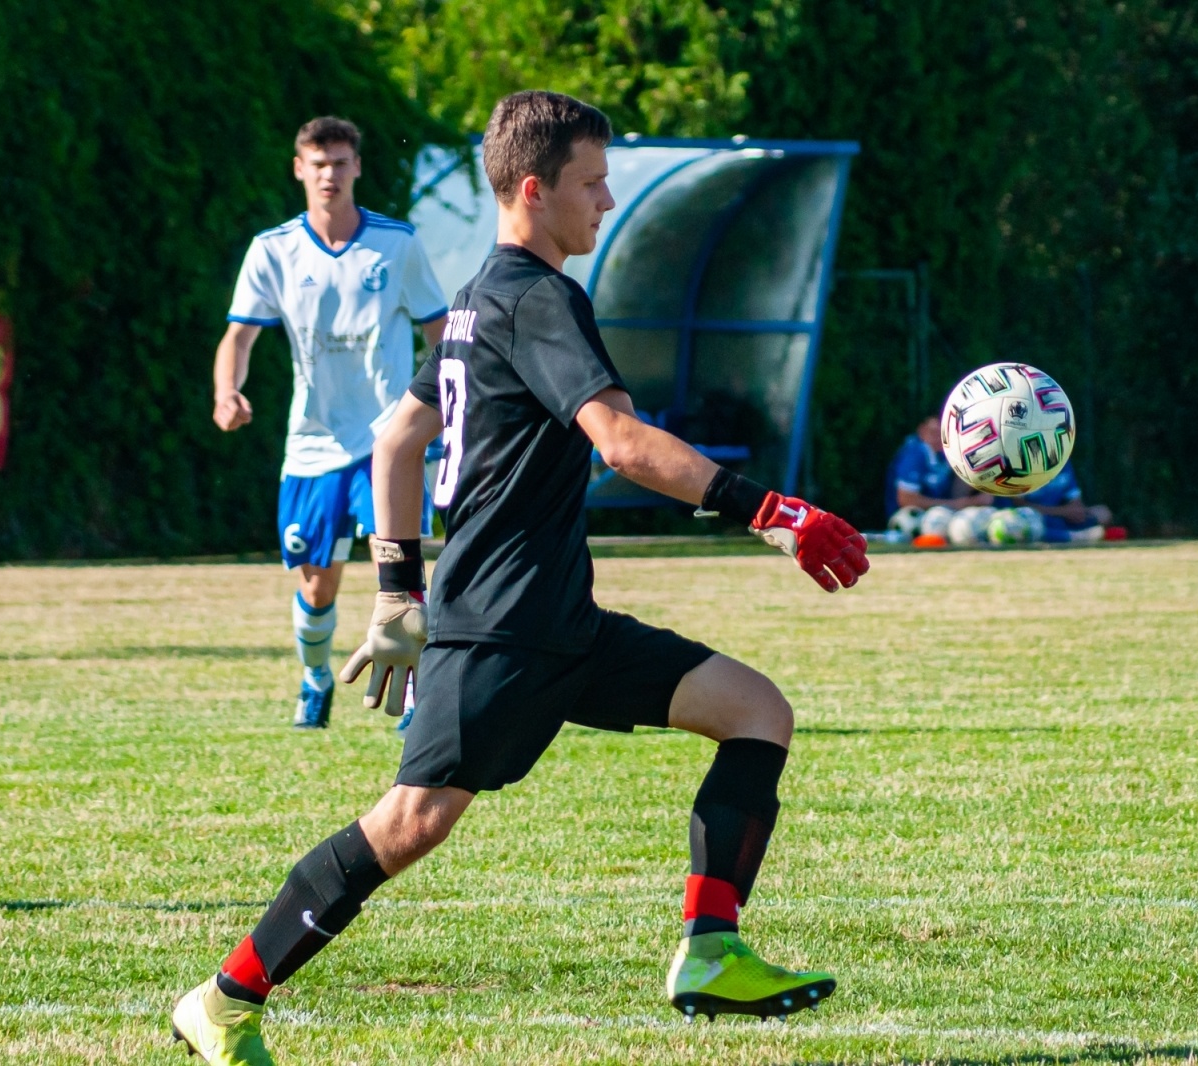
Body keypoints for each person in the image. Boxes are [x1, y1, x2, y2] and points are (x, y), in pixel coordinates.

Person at [172, 90, 871, 1066]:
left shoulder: (473, 301)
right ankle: (224, 995)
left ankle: (710, 949)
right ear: (535, 191)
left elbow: (395, 438)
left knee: (755, 709)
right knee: (409, 823)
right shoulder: (538, 297)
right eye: (592, 183)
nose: (610, 199)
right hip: (501, 629)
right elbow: (620, 444)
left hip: (559, 624)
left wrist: (400, 590)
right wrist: (772, 510)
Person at [213, 116, 450, 728]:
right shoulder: (274, 249)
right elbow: (238, 336)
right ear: (299, 169)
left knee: (397, 575)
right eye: (318, 164)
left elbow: (439, 331)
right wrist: (226, 392)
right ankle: (316, 677)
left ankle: (416, 698)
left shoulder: (396, 244)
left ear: (358, 168)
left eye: (341, 162)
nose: (330, 175)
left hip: (388, 441)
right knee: (317, 587)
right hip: (313, 443)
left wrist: (453, 403)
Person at [885, 413, 990, 516]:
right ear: (922, 430)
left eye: (943, 434)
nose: (938, 439)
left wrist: (980, 483)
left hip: (939, 512)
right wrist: (959, 504)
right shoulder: (914, 455)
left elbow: (957, 492)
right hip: (910, 516)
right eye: (933, 433)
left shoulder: (944, 453)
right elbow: (907, 500)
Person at [993, 459, 1112, 541]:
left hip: (1058, 518)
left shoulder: (1063, 463)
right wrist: (1062, 512)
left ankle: (1074, 533)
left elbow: (1075, 500)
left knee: (1102, 512)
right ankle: (1072, 536)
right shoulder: (1017, 464)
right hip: (1031, 517)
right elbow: (1019, 506)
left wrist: (1076, 512)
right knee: (1023, 524)